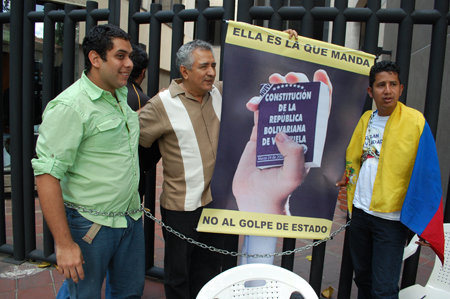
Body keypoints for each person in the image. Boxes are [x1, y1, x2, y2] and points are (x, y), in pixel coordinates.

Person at [31, 24, 144, 299]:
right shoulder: (70, 106)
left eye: (129, 56)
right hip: (90, 225)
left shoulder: (120, 96)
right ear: (95, 59)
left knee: (130, 293)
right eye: (120, 56)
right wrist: (64, 244)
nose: (129, 63)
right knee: (82, 295)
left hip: (130, 219)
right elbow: (47, 175)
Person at [337, 60, 444, 299]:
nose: (388, 90)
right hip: (361, 214)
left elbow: (427, 174)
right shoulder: (366, 118)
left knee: (384, 288)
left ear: (401, 89)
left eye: (393, 84)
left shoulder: (416, 122)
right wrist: (348, 179)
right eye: (381, 85)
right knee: (363, 278)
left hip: (391, 220)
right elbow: (354, 158)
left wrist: (426, 223)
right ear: (370, 91)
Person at [127, 44, 161, 200]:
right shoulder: (147, 103)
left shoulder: (105, 96)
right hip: (132, 180)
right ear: (143, 72)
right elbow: (151, 152)